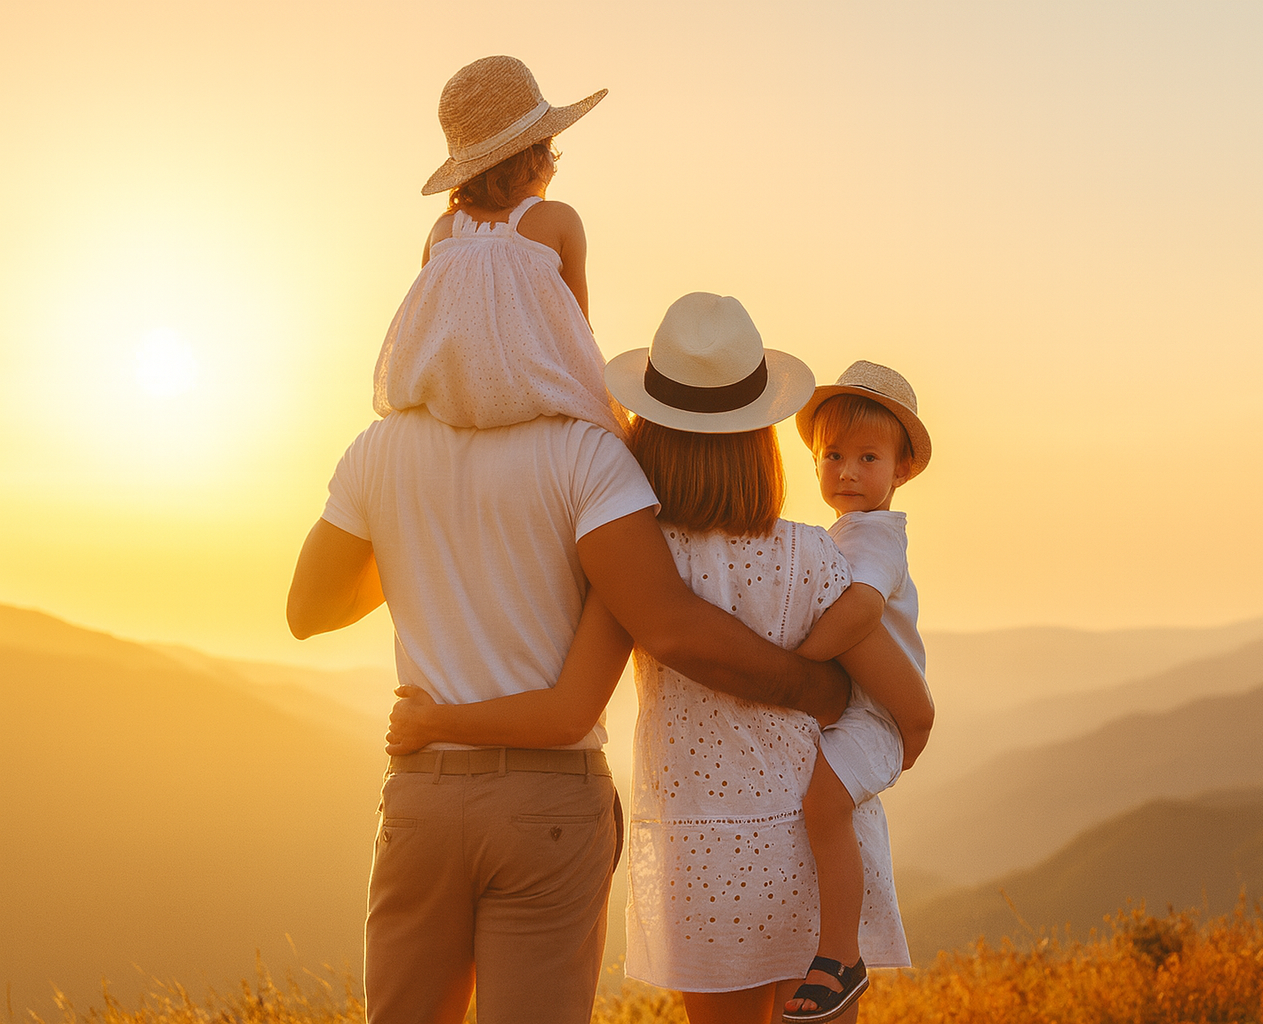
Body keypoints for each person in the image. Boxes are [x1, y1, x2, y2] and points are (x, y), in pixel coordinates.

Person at [285, 59, 853, 1024]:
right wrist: (814, 688)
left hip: (419, 796)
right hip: (545, 805)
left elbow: (308, 611)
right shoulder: (588, 460)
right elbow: (666, 624)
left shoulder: (380, 452)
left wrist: (429, 537)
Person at [603, 293, 916, 1024]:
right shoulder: (816, 556)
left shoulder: (640, 562)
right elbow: (903, 697)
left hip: (705, 859)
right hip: (810, 848)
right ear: (762, 438)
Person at [782, 362, 935, 1022]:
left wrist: (796, 660)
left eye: (867, 457)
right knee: (818, 807)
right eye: (832, 456)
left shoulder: (876, 537)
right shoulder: (843, 534)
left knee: (821, 804)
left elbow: (863, 609)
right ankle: (832, 946)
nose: (846, 472)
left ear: (901, 470)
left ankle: (840, 956)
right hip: (859, 712)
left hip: (876, 719)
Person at [372, 54, 626, 436]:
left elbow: (427, 330)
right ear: (539, 151)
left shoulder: (442, 232)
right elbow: (578, 335)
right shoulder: (560, 220)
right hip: (538, 401)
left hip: (445, 409)